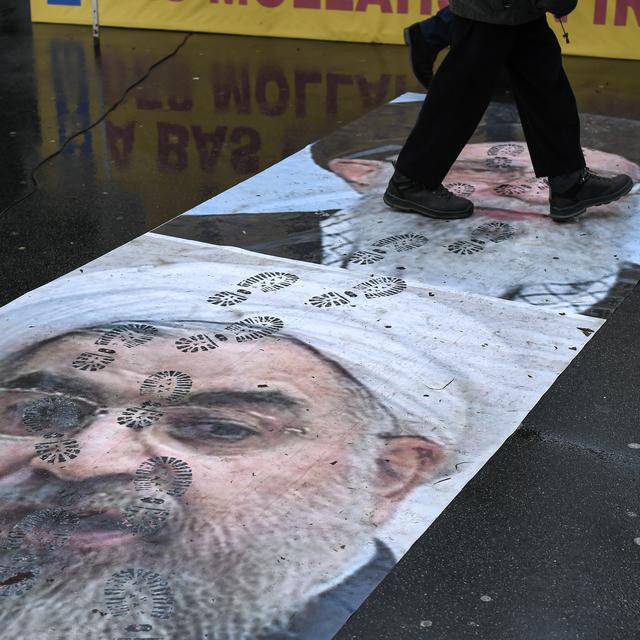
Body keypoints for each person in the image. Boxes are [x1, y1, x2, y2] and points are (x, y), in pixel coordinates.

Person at [385, 0, 634, 220]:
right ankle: (411, 179)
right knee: (462, 93)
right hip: (489, 9)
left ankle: (568, 181)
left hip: (518, 9)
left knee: (545, 81)